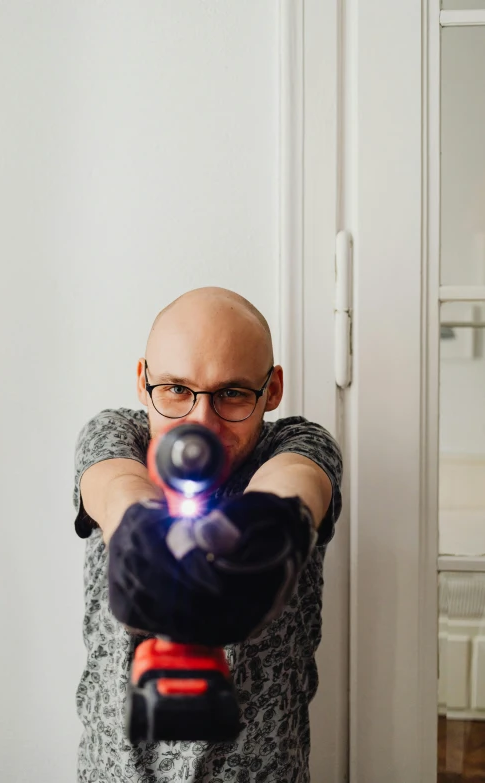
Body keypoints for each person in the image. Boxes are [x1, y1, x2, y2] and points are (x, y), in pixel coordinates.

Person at [73, 286, 343, 783]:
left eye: (232, 393)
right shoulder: (118, 437)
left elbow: (297, 484)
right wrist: (143, 535)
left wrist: (264, 536)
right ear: (143, 380)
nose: (201, 423)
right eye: (176, 389)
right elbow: (116, 487)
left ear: (273, 388)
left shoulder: (300, 444)